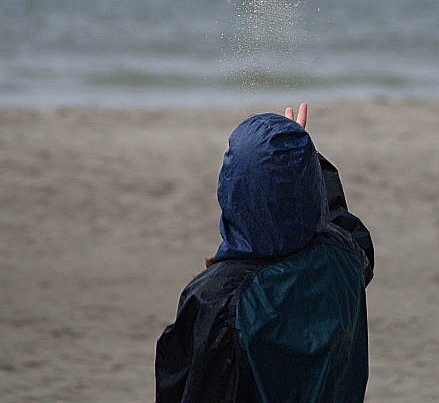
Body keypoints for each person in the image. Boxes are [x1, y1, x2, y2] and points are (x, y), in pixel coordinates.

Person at [155, 102, 374, 403]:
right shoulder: (346, 258)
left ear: (231, 189)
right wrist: (299, 162)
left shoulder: (217, 298)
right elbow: (338, 224)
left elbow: (184, 386)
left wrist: (294, 161)